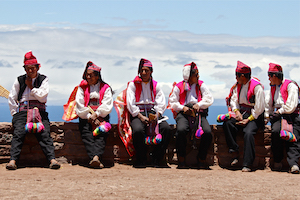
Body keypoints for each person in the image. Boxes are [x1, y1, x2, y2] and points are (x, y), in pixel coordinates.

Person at [6, 51, 60, 170]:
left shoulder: (43, 79)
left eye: (32, 68)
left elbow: (42, 97)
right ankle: (13, 160)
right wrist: (15, 114)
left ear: (37, 68)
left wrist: (31, 87)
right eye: (27, 69)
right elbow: (12, 98)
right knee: (19, 133)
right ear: (25, 69)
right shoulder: (19, 80)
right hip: (22, 111)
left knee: (45, 133)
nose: (30, 71)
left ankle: (52, 160)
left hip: (39, 111)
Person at [126, 58, 171, 168]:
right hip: (138, 114)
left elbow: (161, 103)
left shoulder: (156, 85)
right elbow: (130, 104)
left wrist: (157, 115)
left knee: (166, 129)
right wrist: (140, 116)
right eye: (142, 70)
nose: (144, 73)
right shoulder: (133, 85)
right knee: (137, 130)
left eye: (147, 70)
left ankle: (157, 157)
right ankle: (141, 158)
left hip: (153, 113)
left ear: (151, 71)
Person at [168, 62, 214, 169]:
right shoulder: (178, 87)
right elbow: (173, 102)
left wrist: (199, 104)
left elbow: (208, 98)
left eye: (198, 74)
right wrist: (182, 108)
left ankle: (201, 159)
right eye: (195, 74)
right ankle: (181, 158)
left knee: (207, 132)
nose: (198, 76)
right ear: (189, 76)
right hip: (183, 114)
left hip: (198, 113)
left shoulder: (201, 85)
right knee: (181, 130)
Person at [223, 61, 265, 172]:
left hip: (255, 116)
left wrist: (248, 120)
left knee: (249, 132)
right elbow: (234, 100)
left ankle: (247, 163)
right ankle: (234, 152)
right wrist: (237, 113)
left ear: (242, 76)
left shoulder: (257, 87)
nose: (235, 78)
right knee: (227, 124)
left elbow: (259, 108)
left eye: (236, 76)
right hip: (242, 113)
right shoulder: (238, 86)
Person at [75, 61, 113, 168]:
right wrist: (89, 117)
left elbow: (107, 104)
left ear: (97, 76)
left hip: (101, 116)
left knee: (101, 135)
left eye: (91, 75)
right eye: (87, 75)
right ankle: (95, 158)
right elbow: (80, 104)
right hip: (86, 117)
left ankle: (95, 157)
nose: (88, 77)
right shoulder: (82, 88)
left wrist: (97, 115)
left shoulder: (106, 88)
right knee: (87, 135)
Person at [265, 63, 300, 174]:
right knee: (275, 132)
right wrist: (267, 117)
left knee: (294, 136)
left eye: (269, 76)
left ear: (274, 76)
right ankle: (278, 160)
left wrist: (280, 111)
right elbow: (269, 104)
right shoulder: (273, 88)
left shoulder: (291, 86)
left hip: (291, 114)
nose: (269, 79)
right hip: (278, 116)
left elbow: (291, 105)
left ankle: (294, 164)